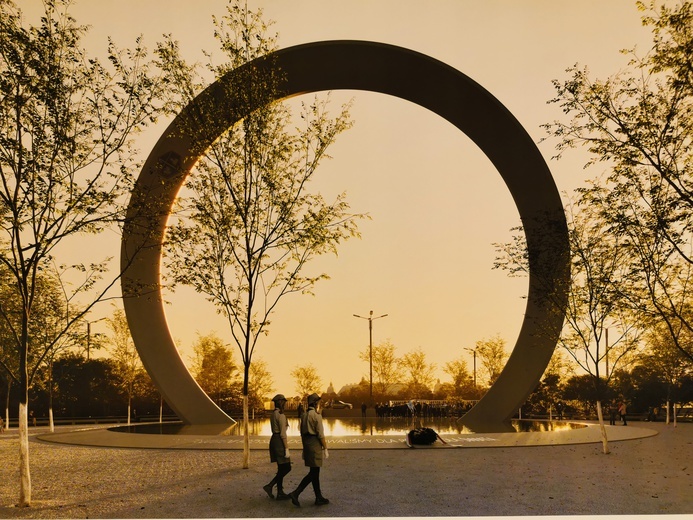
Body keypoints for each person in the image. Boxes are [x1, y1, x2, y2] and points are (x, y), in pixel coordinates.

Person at [289, 393, 329, 507]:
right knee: (313, 473)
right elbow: (321, 435)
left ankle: (318, 497)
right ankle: (296, 493)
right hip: (315, 444)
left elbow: (301, 433)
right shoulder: (317, 416)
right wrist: (325, 448)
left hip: (307, 444)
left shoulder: (304, 415)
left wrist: (304, 448)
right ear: (315, 403)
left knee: (315, 472)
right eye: (319, 402)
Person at [263, 394, 292, 500]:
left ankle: (280, 492)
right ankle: (270, 486)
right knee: (287, 467)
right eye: (283, 402)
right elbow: (283, 434)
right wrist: (287, 448)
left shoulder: (273, 413)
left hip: (274, 440)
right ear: (280, 403)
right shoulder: (281, 415)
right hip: (279, 441)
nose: (285, 404)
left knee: (281, 468)